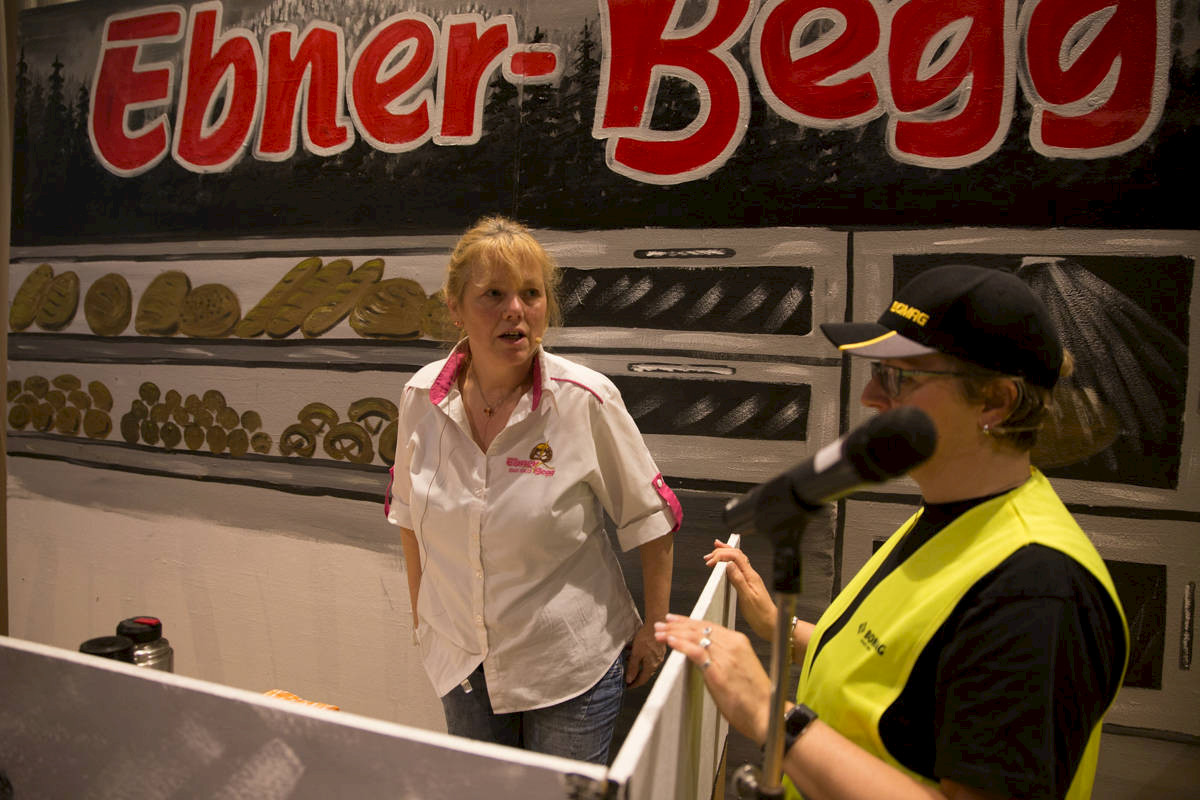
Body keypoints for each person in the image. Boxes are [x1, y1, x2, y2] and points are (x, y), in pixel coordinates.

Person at [656, 264, 1129, 800]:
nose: (870, 396)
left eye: (899, 377)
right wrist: (782, 629)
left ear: (995, 402)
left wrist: (772, 716)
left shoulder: (1037, 591)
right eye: (877, 371)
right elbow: (906, 682)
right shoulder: (954, 515)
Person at [386, 215, 681, 764]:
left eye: (530, 293)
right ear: (455, 307)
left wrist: (656, 631)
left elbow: (651, 518)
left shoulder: (584, 400)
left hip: (569, 664)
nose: (515, 310)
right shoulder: (420, 398)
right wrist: (422, 619)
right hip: (462, 662)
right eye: (493, 294)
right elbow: (407, 516)